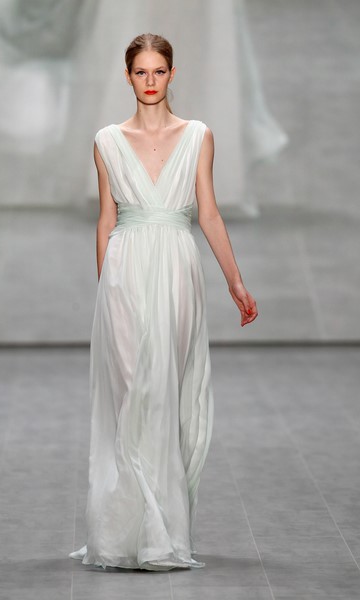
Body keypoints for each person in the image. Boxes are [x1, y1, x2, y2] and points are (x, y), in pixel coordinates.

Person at [69, 32, 258, 572]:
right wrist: (106, 289)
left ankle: (159, 533)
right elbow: (106, 219)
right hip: (124, 270)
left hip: (177, 269)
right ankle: (127, 532)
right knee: (132, 391)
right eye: (140, 72)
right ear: (127, 76)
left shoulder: (197, 135)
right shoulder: (107, 140)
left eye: (158, 71)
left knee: (164, 393)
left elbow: (209, 213)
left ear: (172, 74)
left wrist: (235, 281)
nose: (149, 81)